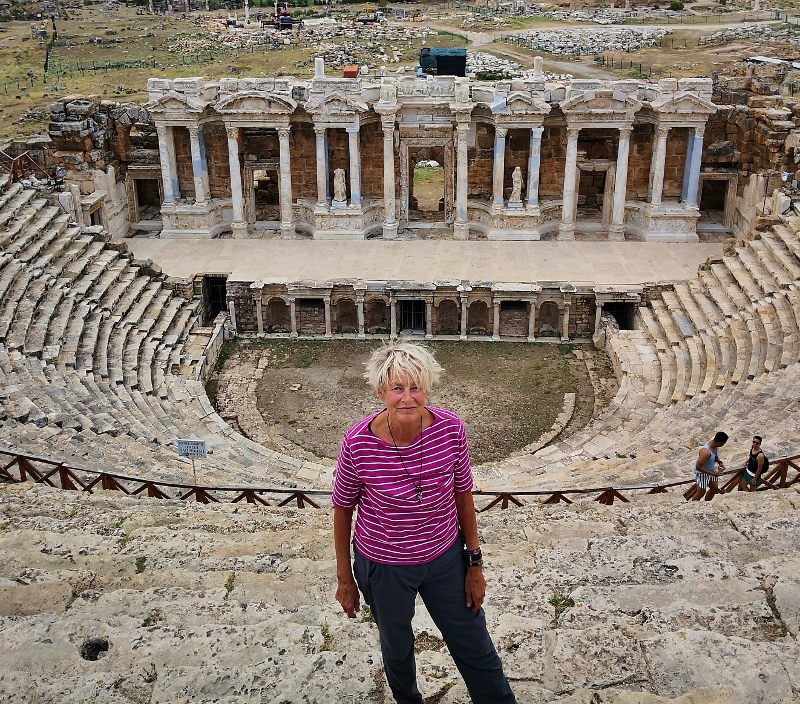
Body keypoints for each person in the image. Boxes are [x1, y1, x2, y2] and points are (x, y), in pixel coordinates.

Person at [332, 341, 517, 704]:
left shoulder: (450, 429)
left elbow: (463, 496)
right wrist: (345, 578)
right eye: (397, 388)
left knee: (473, 641)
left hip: (445, 558)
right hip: (384, 566)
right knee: (396, 647)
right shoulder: (358, 442)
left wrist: (474, 563)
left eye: (415, 387)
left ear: (427, 389)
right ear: (381, 391)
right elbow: (342, 508)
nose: (407, 398)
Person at [688, 431, 728, 501]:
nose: (723, 445)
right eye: (723, 443)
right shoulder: (705, 452)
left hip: (711, 470)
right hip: (702, 473)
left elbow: (715, 456)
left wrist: (720, 462)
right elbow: (698, 467)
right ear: (720, 442)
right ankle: (692, 505)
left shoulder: (716, 446)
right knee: (701, 493)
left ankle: (706, 503)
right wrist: (713, 474)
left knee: (714, 489)